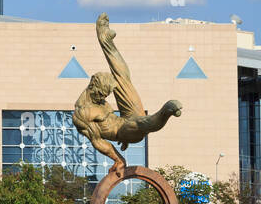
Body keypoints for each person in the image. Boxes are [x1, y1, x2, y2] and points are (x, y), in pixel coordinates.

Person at [72, 13, 183, 178]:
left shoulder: (98, 100)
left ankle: (105, 39)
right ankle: (167, 110)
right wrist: (118, 159)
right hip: (124, 131)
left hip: (125, 118)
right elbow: (98, 142)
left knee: (122, 77)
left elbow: (112, 92)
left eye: (106, 94)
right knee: (141, 122)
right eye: (103, 93)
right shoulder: (82, 115)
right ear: (93, 87)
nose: (105, 97)